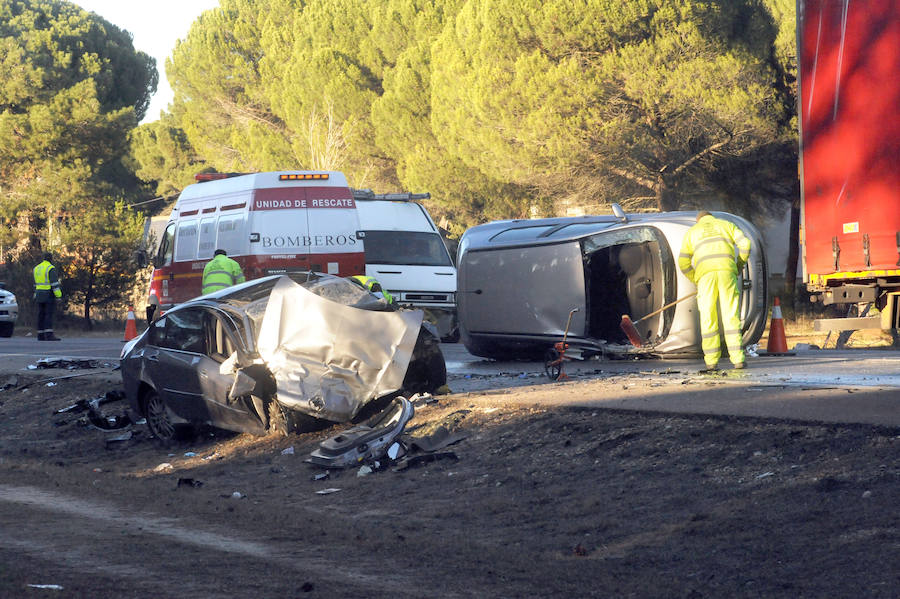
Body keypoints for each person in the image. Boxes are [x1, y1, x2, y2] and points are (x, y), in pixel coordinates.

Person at [678, 211, 751, 372]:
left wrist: (696, 278)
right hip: (727, 273)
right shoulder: (727, 225)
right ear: (712, 217)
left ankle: (711, 362)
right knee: (730, 316)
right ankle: (738, 359)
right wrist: (738, 265)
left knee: (708, 317)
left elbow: (683, 263)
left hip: (705, 277)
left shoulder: (692, 232)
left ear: (699, 220)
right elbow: (745, 245)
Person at [33, 251, 62, 341]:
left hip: (39, 294)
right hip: (48, 294)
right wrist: (58, 296)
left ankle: (40, 335)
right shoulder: (50, 268)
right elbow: (54, 284)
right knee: (48, 314)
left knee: (41, 314)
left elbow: (35, 284)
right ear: (51, 258)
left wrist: (35, 295)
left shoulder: (36, 268)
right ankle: (49, 335)